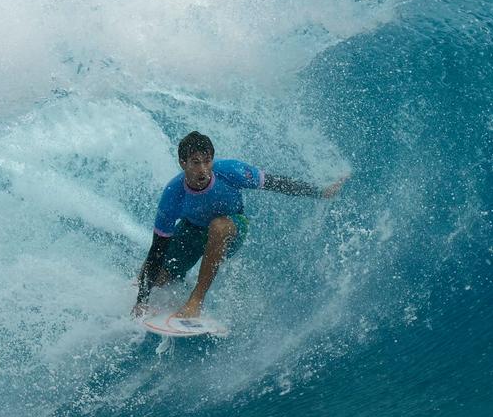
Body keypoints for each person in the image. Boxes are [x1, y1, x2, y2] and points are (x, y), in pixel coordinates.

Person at [132, 131, 346, 319]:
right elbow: (157, 249)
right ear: (182, 163)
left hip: (232, 227)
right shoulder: (173, 195)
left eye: (207, 161)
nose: (203, 170)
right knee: (153, 277)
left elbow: (275, 183)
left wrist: (319, 192)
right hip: (192, 230)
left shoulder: (230, 171)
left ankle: (196, 300)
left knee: (218, 226)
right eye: (196, 162)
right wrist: (141, 300)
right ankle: (164, 282)